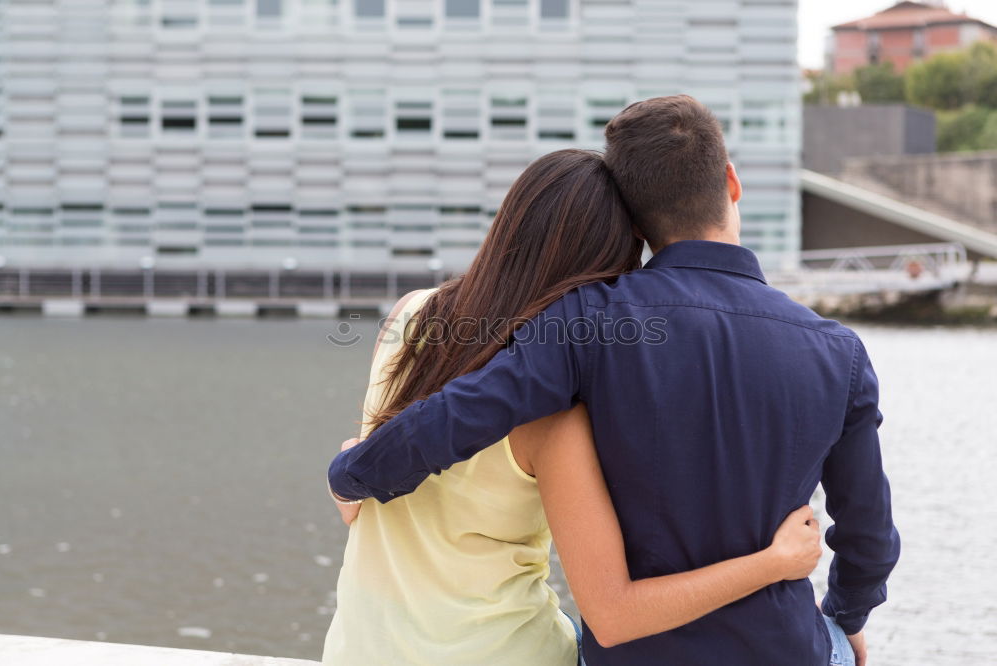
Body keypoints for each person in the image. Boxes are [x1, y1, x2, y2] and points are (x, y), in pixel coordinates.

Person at [329, 96, 901, 666]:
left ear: (633, 218)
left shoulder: (586, 320)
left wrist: (353, 473)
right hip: (780, 649)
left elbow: (465, 411)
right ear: (731, 181)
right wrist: (845, 616)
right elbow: (869, 538)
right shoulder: (838, 352)